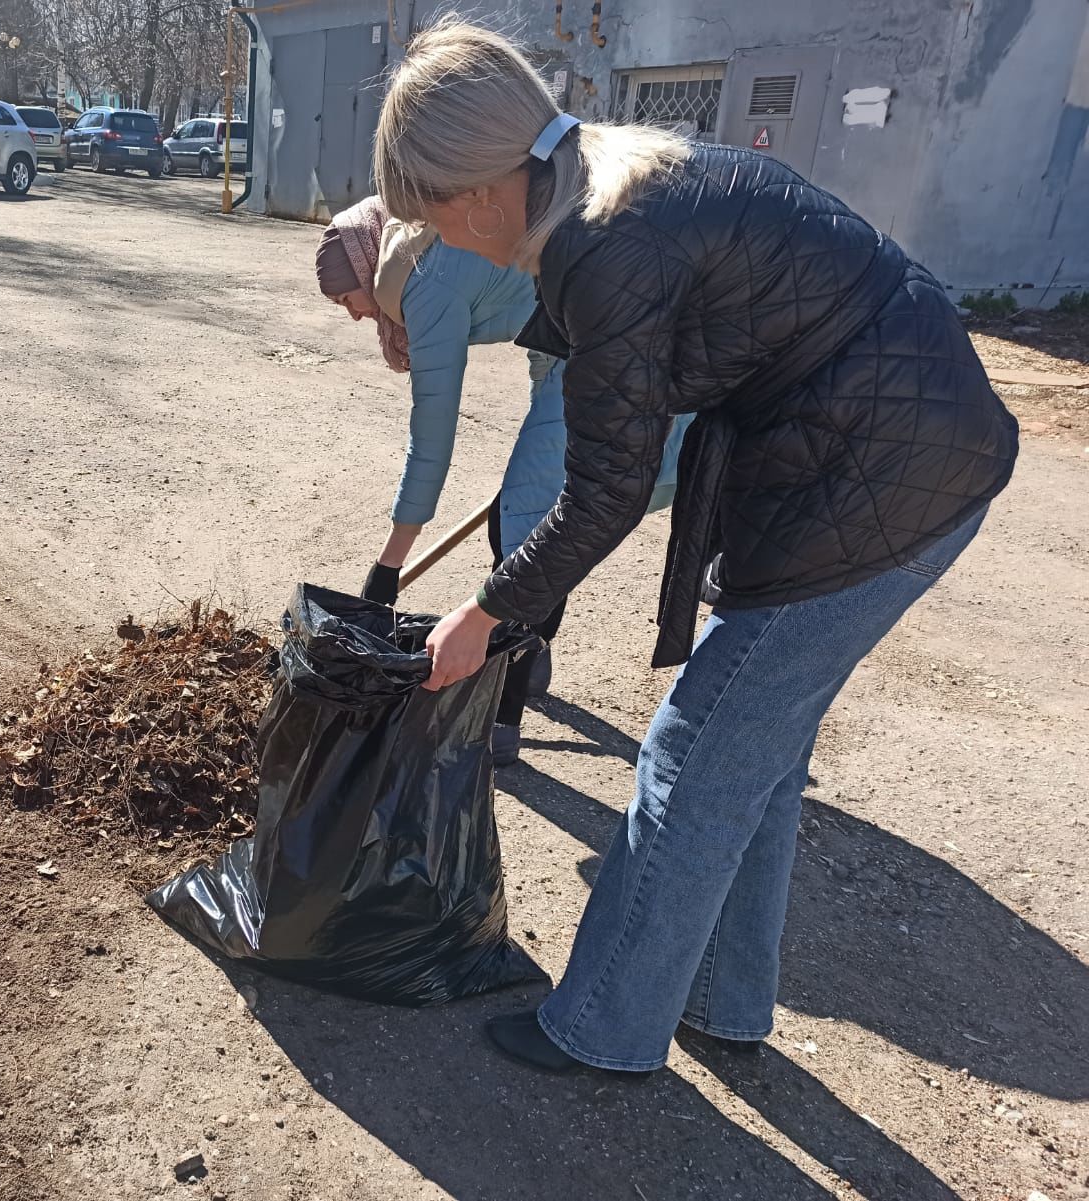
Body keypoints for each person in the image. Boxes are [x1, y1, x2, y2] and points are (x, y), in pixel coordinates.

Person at [372, 20, 1017, 1076]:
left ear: (479, 188)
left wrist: (485, 617)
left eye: (431, 216)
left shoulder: (601, 244)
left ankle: (602, 1029)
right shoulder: (616, 171)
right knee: (747, 750)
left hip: (886, 481)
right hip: (889, 449)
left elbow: (605, 491)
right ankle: (721, 1001)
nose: (444, 240)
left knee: (692, 749)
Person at [314, 196, 689, 763]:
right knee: (520, 516)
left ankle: (502, 718)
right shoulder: (418, 252)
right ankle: (530, 655)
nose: (356, 314)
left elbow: (432, 439)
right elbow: (534, 314)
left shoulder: (422, 282)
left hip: (610, 340)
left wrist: (388, 567)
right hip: (574, 336)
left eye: (348, 299)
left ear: (367, 267)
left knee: (526, 531)